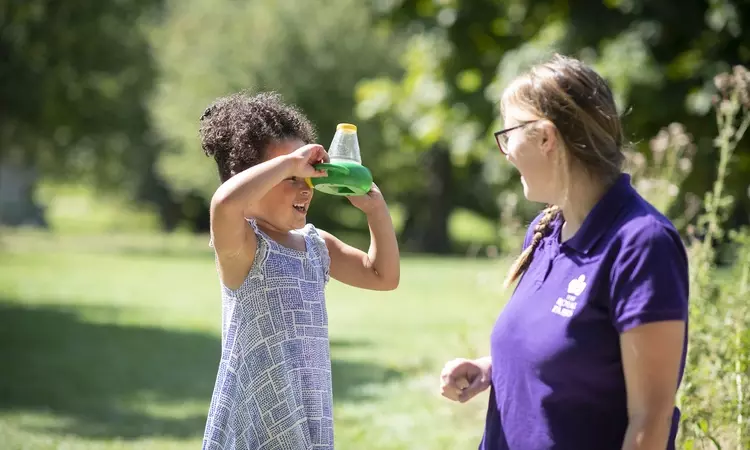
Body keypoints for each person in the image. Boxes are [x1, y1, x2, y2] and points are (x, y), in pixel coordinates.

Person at [439, 54, 689, 450]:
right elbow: (570, 360)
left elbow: (650, 420)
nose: (505, 152)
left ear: (545, 137)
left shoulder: (642, 244)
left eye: (508, 135)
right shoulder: (546, 232)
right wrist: (493, 369)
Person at [199, 91, 400, 450]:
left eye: (308, 177)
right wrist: (291, 162)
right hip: (254, 422)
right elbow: (225, 203)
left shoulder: (315, 246)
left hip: (305, 416)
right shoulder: (244, 248)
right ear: (253, 179)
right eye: (291, 177)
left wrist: (376, 211)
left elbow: (383, 276)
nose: (305, 188)